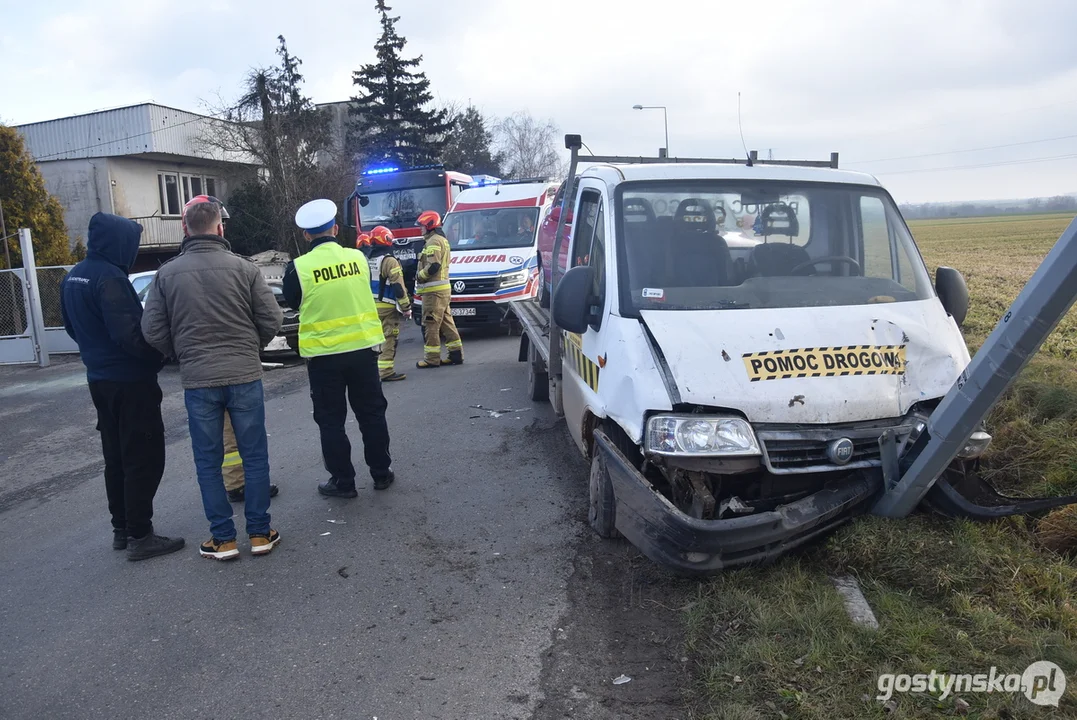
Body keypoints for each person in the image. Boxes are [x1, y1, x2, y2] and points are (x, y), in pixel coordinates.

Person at [142, 195, 283, 561]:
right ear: (220, 227)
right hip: (243, 374)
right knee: (254, 456)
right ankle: (259, 534)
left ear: (185, 228)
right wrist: (251, 346)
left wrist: (180, 352)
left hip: (198, 379)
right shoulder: (245, 268)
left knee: (208, 461)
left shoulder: (166, 274)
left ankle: (222, 539)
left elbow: (152, 329)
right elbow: (272, 318)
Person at [60, 212, 185, 561]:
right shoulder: (110, 278)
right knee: (142, 457)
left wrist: (95, 353)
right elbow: (131, 335)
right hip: (130, 382)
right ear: (118, 243)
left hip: (99, 380)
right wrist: (159, 357)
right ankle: (140, 535)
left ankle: (121, 528)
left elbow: (71, 327)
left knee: (115, 457)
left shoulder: (74, 277)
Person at [281, 199, 395, 498]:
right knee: (371, 414)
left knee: (331, 421)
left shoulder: (298, 268)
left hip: (323, 357)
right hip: (362, 350)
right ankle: (381, 473)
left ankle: (343, 482)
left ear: (306, 235)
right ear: (334, 228)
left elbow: (293, 302)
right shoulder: (357, 258)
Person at [360, 225, 411, 382]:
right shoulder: (389, 261)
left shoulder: (365, 259)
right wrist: (406, 307)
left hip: (368, 306)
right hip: (387, 306)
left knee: (373, 340)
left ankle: (372, 371)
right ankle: (386, 371)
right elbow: (398, 286)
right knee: (389, 337)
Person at [414, 210, 463, 369]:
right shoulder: (441, 239)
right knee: (446, 322)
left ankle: (431, 359)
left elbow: (433, 266)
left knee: (431, 324)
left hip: (433, 292)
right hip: (442, 290)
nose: (420, 229)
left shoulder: (433, 241)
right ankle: (455, 354)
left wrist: (419, 276)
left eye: (422, 226)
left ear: (429, 225)